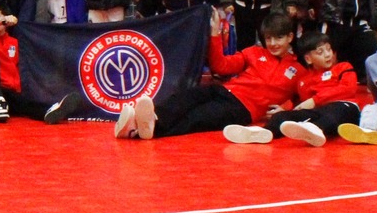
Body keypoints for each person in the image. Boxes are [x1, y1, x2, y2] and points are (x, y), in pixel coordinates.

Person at [117, 14, 300, 141]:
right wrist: (214, 35)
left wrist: (285, 107)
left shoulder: (299, 68)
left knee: (197, 118)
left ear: (290, 37)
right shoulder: (253, 52)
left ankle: (138, 130)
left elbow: (304, 98)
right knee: (184, 98)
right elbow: (222, 66)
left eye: (279, 38)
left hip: (242, 109)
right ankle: (147, 121)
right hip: (224, 90)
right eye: (269, 38)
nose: (273, 44)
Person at [222, 31, 377, 146]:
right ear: (308, 58)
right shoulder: (303, 80)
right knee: (282, 117)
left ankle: (315, 129)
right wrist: (284, 108)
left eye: (329, 49)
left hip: (345, 107)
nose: (327, 55)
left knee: (334, 113)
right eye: (320, 52)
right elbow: (298, 101)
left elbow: (348, 89)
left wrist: (315, 100)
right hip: (317, 110)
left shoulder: (343, 67)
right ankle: (262, 133)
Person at [0, 8, 82, 124]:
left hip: (12, 92)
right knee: (20, 102)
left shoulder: (14, 42)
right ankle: (48, 108)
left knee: (23, 105)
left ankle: (49, 111)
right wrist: (0, 20)